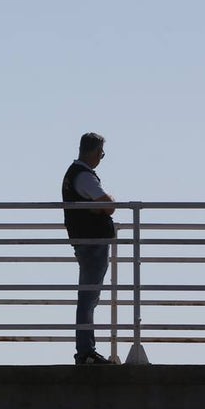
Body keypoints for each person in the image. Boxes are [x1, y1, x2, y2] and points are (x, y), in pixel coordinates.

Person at [62, 132, 118, 365]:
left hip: (85, 240)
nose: (101, 158)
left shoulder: (74, 174)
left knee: (88, 296)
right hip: (92, 242)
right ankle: (86, 351)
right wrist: (102, 206)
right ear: (94, 152)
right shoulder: (84, 176)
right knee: (89, 297)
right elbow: (109, 205)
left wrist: (96, 208)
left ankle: (86, 351)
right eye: (101, 154)